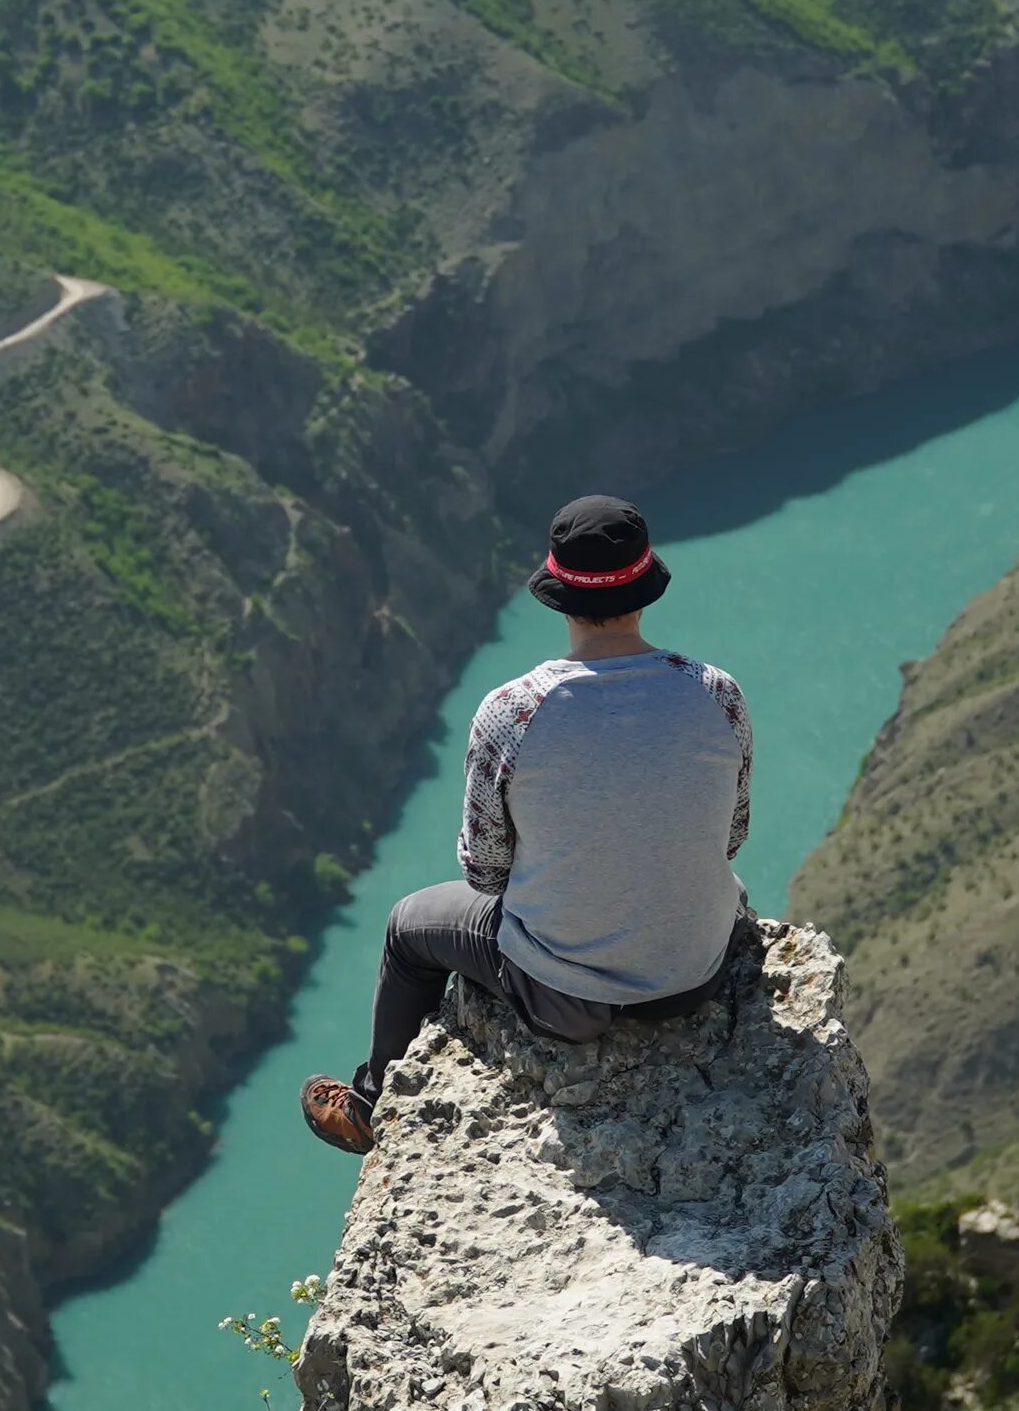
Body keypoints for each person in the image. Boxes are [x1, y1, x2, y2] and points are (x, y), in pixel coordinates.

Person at [301, 494, 757, 1154]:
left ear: (558, 594)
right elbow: (731, 836)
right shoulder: (717, 692)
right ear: (646, 586)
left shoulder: (512, 713)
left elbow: (485, 872)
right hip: (696, 978)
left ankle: (371, 1106)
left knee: (408, 926)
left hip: (563, 999)